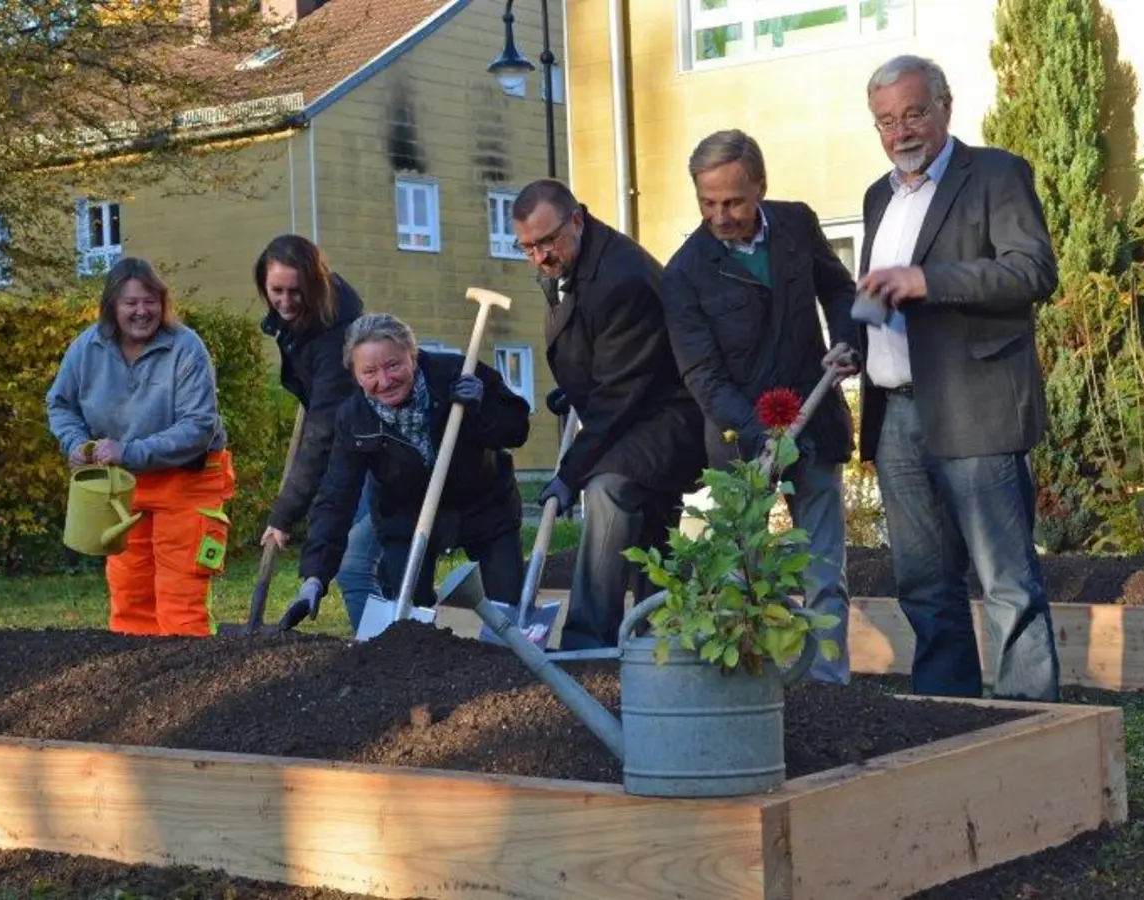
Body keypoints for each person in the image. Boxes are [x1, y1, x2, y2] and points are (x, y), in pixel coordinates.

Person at [836, 54, 1059, 701]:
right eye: (885, 121)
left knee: (1006, 581)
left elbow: (1031, 271)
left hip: (977, 408)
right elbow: (891, 298)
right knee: (925, 585)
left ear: (945, 107)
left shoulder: (994, 174)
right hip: (896, 417)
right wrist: (856, 341)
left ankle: (1028, 722)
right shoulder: (880, 196)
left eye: (913, 114)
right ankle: (946, 715)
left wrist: (928, 280)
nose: (900, 132)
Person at [660, 129, 863, 684]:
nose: (720, 215)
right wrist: (762, 432)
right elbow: (703, 375)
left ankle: (828, 686)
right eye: (707, 203)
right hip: (739, 446)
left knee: (824, 570)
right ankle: (741, 689)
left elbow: (839, 289)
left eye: (733, 201)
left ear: (760, 187)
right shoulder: (684, 275)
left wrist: (848, 340)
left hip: (815, 421)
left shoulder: (796, 223)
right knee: (737, 574)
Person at [510, 178, 706, 650]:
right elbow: (597, 348)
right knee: (653, 532)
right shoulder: (574, 258)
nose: (539, 257)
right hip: (631, 410)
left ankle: (586, 642)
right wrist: (574, 389)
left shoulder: (622, 279)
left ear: (575, 220)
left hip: (666, 419)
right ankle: (659, 642)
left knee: (608, 491)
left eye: (546, 242)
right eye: (527, 248)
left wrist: (568, 474)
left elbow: (619, 395)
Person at [283, 313, 531, 624]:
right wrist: (315, 577)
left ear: (413, 356)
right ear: (356, 375)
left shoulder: (457, 373)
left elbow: (517, 430)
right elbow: (336, 496)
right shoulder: (354, 418)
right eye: (370, 371)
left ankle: (511, 664)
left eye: (393, 365)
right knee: (409, 620)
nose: (384, 381)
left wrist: (482, 408)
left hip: (484, 506)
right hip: (407, 517)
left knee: (507, 613)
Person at [46, 257, 235, 637]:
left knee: (181, 603)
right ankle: (136, 686)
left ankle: (192, 685)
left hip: (188, 481)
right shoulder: (87, 348)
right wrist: (77, 443)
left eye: (149, 301)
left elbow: (198, 426)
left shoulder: (187, 348)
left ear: (162, 303)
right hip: (123, 486)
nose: (141, 311)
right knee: (129, 598)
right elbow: (60, 403)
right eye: (130, 302)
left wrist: (127, 451)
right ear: (112, 307)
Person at [250, 235, 388, 631]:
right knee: (376, 566)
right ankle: (397, 644)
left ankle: (385, 652)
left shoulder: (335, 337)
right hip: (357, 442)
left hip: (378, 451)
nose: (286, 301)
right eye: (276, 291)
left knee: (356, 565)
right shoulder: (302, 326)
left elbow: (322, 435)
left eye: (296, 291)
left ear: (315, 285)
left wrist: (283, 515)